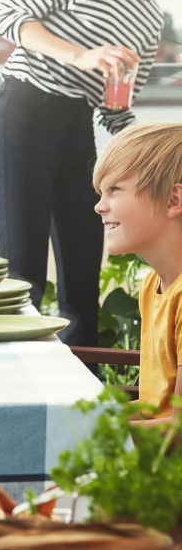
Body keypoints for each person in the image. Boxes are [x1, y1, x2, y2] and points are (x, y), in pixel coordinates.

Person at [0, 0, 182, 348]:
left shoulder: (151, 21)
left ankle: (85, 408)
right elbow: (4, 14)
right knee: (24, 275)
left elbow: (116, 112)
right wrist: (79, 54)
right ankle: (22, 399)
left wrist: (162, 158)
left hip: (78, 129)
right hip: (26, 113)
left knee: (82, 281)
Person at [93, 121, 182, 426]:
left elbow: (179, 432)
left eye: (114, 190)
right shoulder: (152, 285)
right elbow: (153, 406)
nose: (99, 207)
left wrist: (89, 436)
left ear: (173, 201)